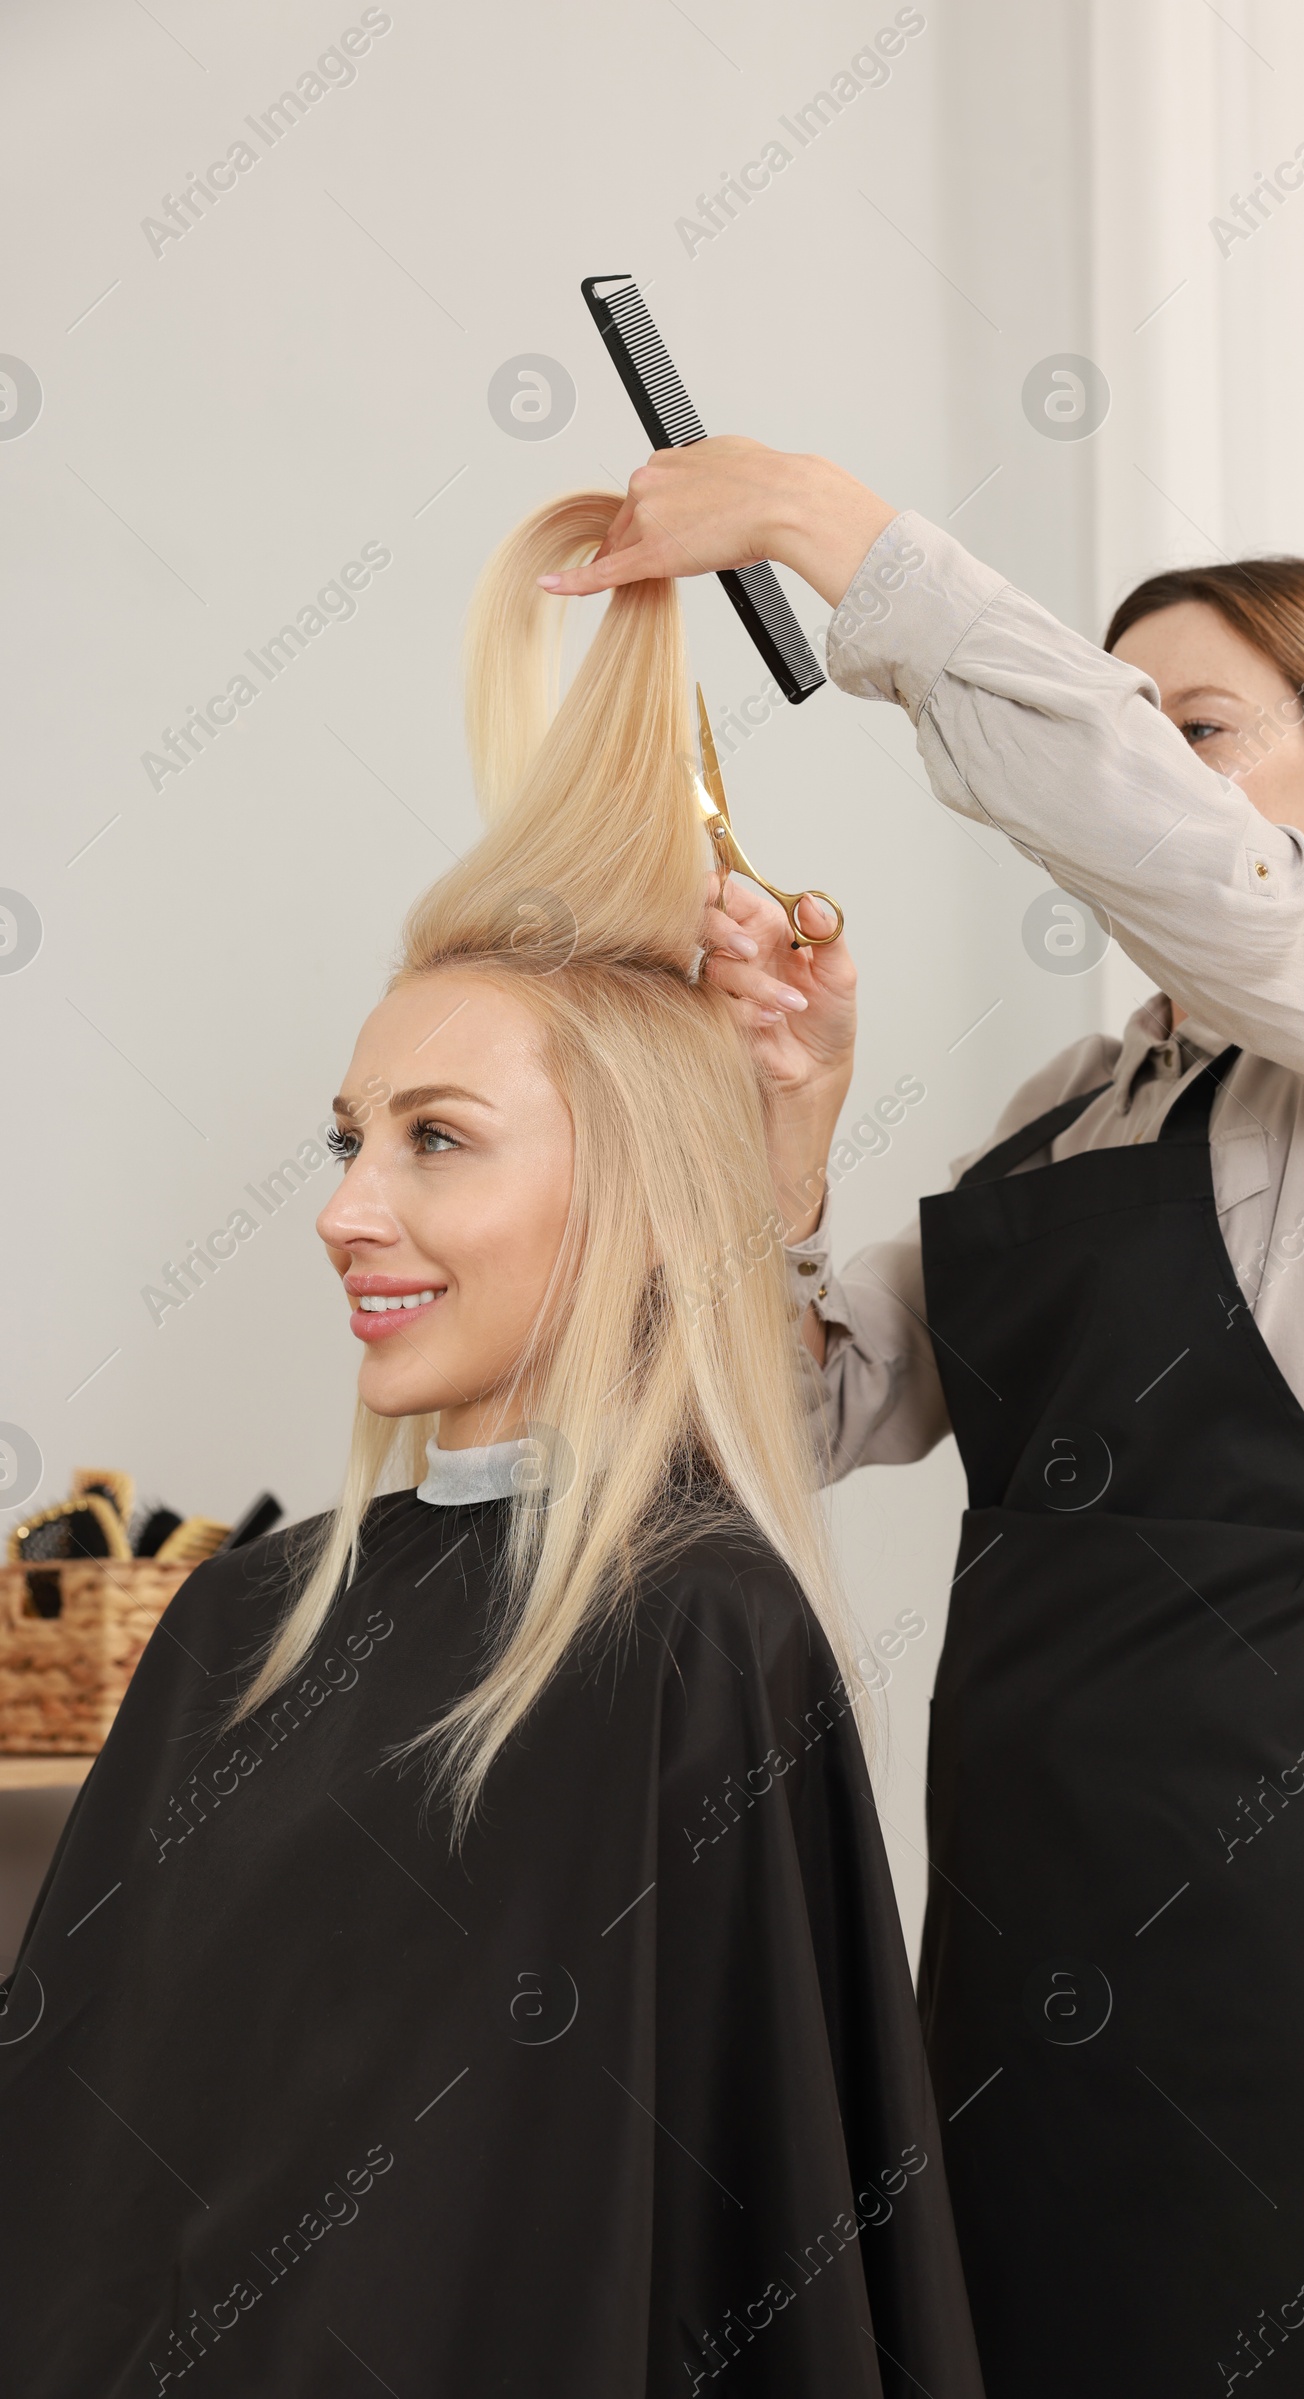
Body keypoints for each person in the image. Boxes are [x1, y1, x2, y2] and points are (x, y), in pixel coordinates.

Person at [542, 441, 1304, 2396]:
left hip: (1270, 1877)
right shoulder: (1061, 1112)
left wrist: (831, 536)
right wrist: (789, 1127)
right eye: (1131, 721)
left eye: (1198, 728)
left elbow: (1183, 868)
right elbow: (795, 1414)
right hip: (1019, 1875)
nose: (1153, 770)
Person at [0, 493, 986, 2399]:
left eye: (434, 1140)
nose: (348, 1209)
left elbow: (733, 2240)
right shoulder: (244, 1627)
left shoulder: (691, 1640)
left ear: (626, 1193)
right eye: (348, 1140)